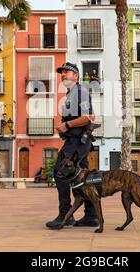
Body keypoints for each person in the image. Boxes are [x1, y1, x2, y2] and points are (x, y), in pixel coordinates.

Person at [46, 62, 99, 229]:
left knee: (60, 171)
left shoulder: (81, 91)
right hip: (74, 140)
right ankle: (91, 216)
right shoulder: (71, 94)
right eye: (62, 73)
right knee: (83, 178)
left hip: (79, 141)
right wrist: (65, 129)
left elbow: (90, 117)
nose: (63, 75)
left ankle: (65, 214)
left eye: (67, 72)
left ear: (76, 76)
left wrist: (67, 126)